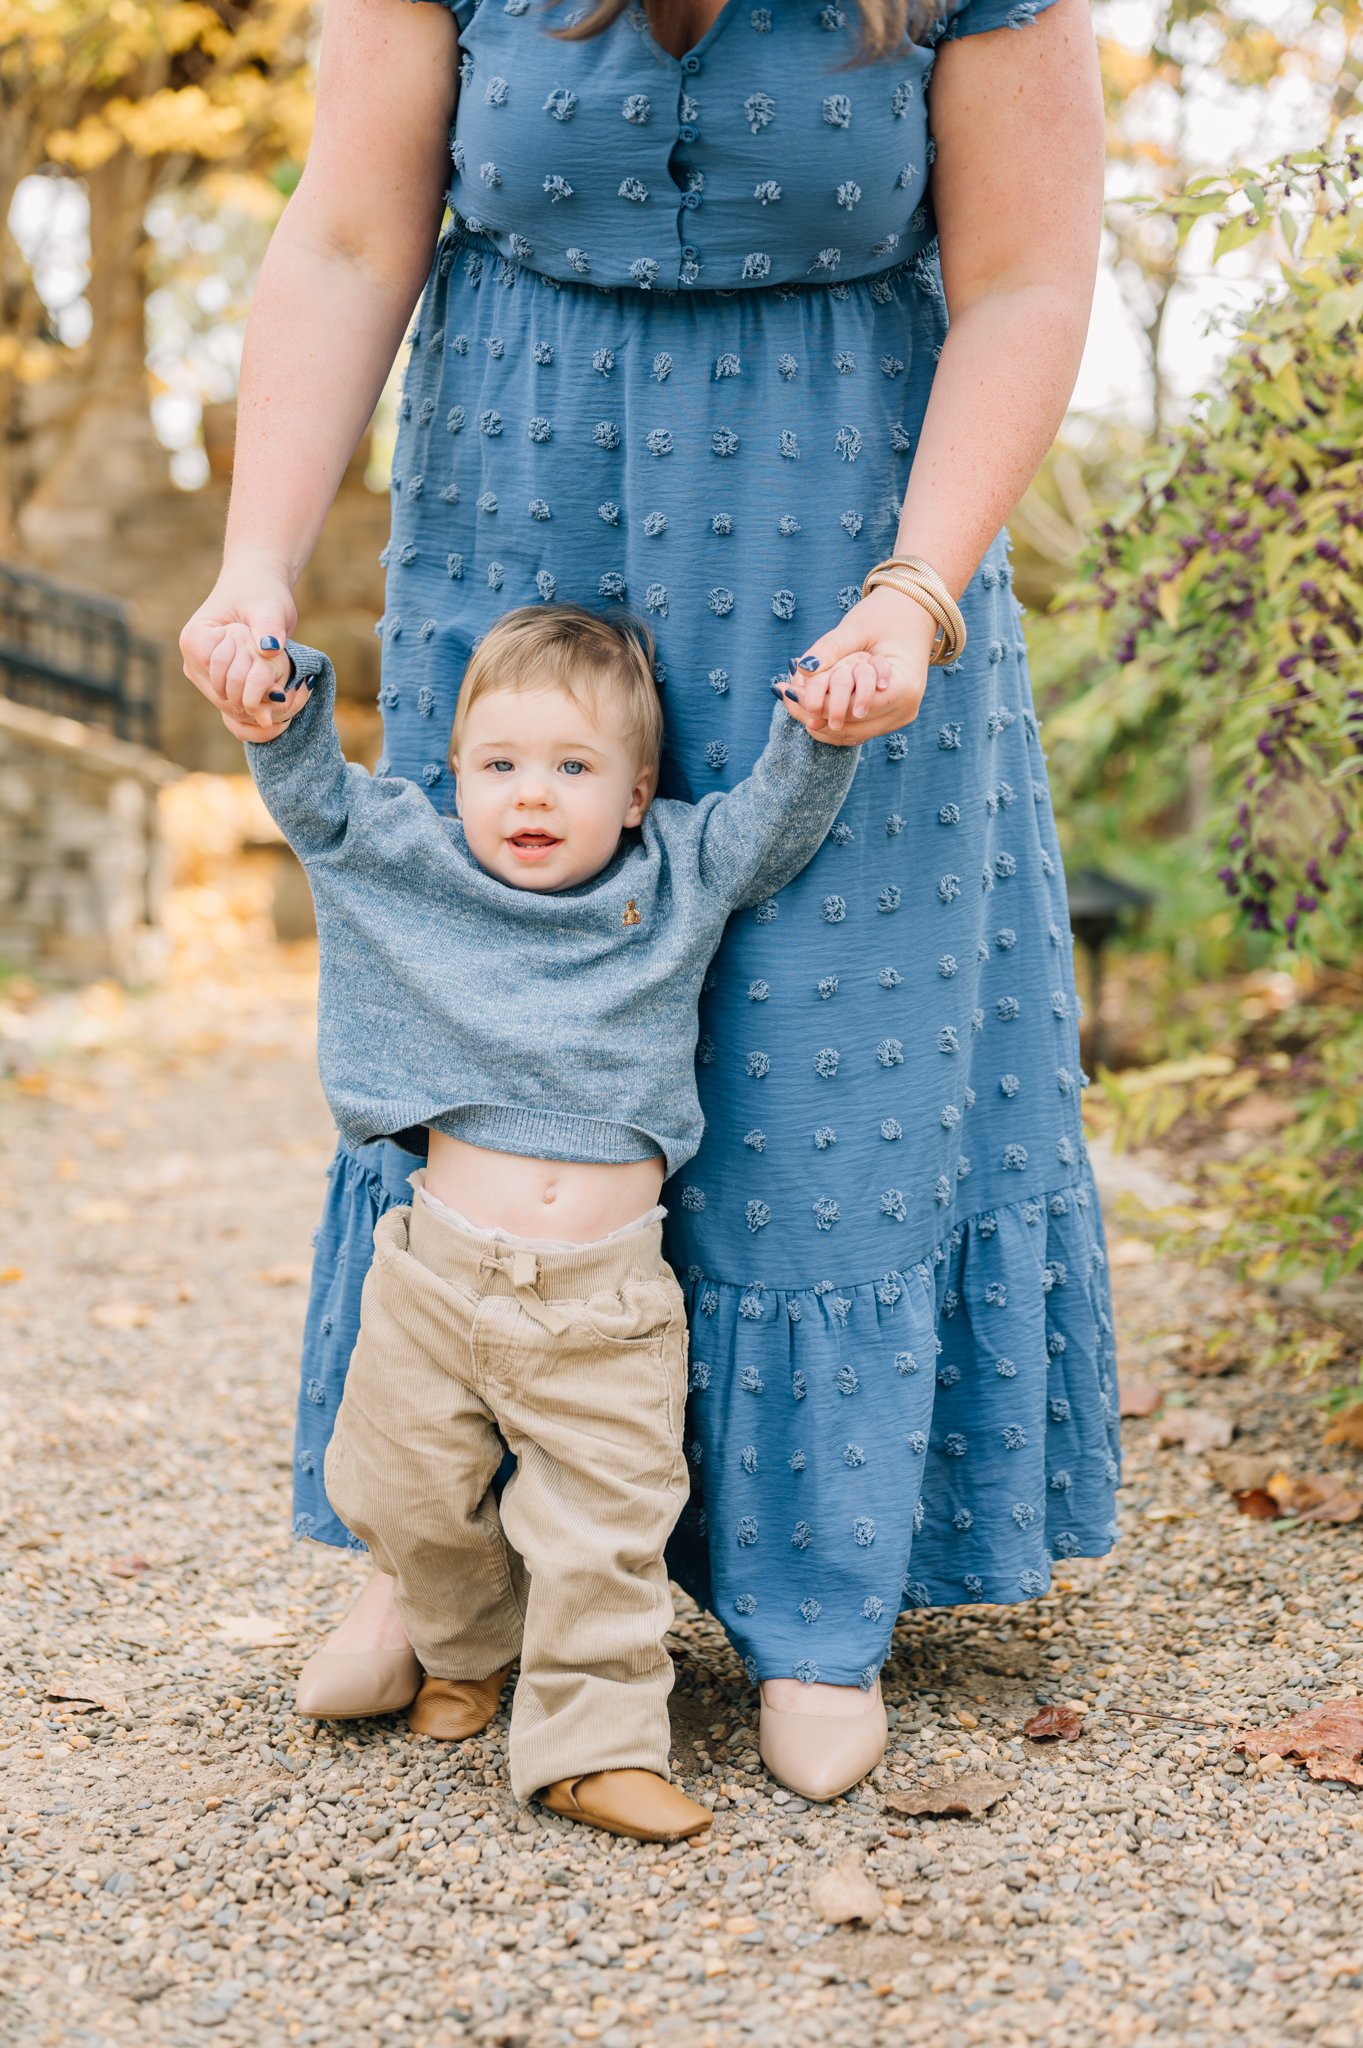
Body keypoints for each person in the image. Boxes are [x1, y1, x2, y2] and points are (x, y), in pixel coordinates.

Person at [181, 0, 1120, 1804]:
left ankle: (817, 1600)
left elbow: (1021, 279)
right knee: (497, 1011)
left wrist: (917, 591)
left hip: (847, 527)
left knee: (828, 1048)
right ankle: (439, 1561)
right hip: (518, 505)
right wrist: (254, 560)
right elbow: (354, 231)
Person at [239, 603, 860, 1837]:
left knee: (605, 1533)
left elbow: (769, 835)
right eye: (501, 765)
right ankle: (462, 1646)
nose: (532, 795)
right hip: (435, 1279)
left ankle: (594, 1747)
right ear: (457, 776)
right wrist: (279, 700)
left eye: (572, 768)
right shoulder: (421, 865)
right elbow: (319, 804)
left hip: (605, 1300)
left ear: (636, 792)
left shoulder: (675, 872)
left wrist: (819, 737)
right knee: (402, 1489)